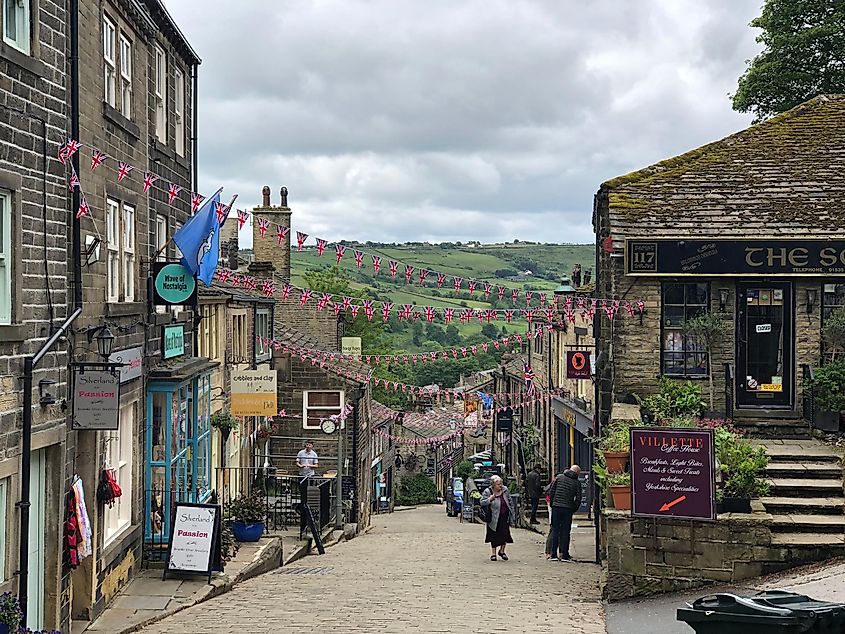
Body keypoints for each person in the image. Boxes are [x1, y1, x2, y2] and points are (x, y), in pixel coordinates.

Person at [547, 464, 581, 562]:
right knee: (566, 531)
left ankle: (553, 554)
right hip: (568, 508)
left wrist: (553, 503)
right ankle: (564, 554)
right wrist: (574, 508)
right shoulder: (576, 482)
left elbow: (551, 491)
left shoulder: (559, 477)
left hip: (556, 507)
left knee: (555, 529)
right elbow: (578, 498)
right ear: (577, 473)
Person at [480, 475, 514, 561]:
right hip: (493, 517)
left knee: (505, 534)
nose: (500, 486)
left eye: (501, 484)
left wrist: (512, 512)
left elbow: (510, 501)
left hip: (504, 516)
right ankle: (493, 553)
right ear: (493, 485)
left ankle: (502, 551)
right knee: (493, 535)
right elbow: (482, 502)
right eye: (498, 484)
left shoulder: (505, 490)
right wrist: (490, 499)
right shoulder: (488, 491)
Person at [296, 440, 319, 535]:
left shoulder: (314, 454)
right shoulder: (301, 453)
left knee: (308, 492)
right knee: (302, 491)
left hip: (310, 475)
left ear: (312, 446)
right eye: (307, 444)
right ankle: (302, 503)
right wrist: (300, 465)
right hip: (302, 474)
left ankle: (306, 504)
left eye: (310, 445)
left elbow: (317, 465)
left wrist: (310, 465)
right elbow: (296, 462)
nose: (308, 446)